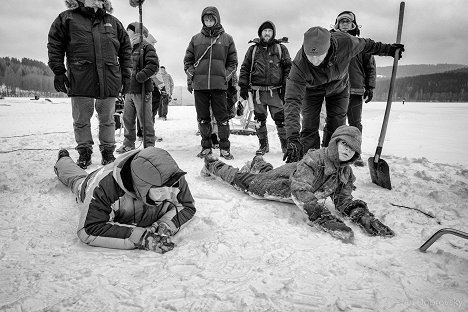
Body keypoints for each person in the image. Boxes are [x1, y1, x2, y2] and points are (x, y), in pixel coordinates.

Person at [202, 125, 394, 243]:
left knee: (271, 170)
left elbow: (343, 200)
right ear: (335, 142)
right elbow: (299, 189)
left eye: (352, 149)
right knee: (241, 180)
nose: (347, 150)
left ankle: (258, 162)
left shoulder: (345, 171)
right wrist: (322, 217)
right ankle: (212, 164)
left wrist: (361, 216)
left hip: (293, 171)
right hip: (279, 186)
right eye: (344, 144)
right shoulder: (315, 159)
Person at [283, 26, 404, 163]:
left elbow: (367, 45)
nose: (314, 61)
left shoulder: (346, 43)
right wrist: (292, 138)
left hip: (338, 89)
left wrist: (389, 50)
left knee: (336, 127)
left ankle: (332, 162)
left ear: (328, 48)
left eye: (319, 56)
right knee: (309, 126)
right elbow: (292, 100)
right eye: (311, 57)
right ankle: (311, 162)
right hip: (312, 91)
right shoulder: (299, 65)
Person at [54, 146, 196, 253]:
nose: (168, 195)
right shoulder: (103, 188)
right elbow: (90, 228)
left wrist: (165, 225)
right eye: (159, 191)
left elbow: (187, 206)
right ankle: (63, 160)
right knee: (76, 180)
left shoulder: (172, 178)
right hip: (91, 182)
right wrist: (141, 238)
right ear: (142, 186)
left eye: (170, 189)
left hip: (132, 171)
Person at [47, 0, 132, 169]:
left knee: (108, 119)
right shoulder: (67, 18)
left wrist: (126, 74)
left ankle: (108, 152)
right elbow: (55, 44)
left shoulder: (113, 22)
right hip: (80, 77)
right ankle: (84, 151)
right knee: (81, 119)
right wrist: (58, 71)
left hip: (108, 77)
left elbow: (125, 50)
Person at [184, 6, 238, 159]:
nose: (208, 21)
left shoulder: (227, 39)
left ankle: (224, 148)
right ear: (203, 20)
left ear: (217, 19)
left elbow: (233, 63)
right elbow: (188, 60)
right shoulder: (195, 39)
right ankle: (206, 147)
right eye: (206, 19)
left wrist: (224, 76)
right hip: (200, 86)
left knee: (222, 119)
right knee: (203, 118)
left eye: (211, 18)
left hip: (219, 86)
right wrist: (192, 75)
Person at [239, 20, 292, 155]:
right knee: (259, 120)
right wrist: (243, 86)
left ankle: (285, 146)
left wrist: (287, 85)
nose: (267, 33)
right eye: (265, 31)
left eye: (269, 31)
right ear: (260, 33)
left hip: (276, 91)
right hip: (257, 93)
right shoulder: (253, 49)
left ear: (273, 33)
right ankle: (263, 145)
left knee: (281, 119)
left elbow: (288, 68)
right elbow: (245, 68)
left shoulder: (281, 49)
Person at [332, 11, 376, 167]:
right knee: (336, 123)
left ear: (353, 25)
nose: (345, 23)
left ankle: (355, 154)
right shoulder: (331, 41)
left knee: (355, 124)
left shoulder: (361, 43)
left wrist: (370, 87)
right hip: (335, 90)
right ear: (337, 24)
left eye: (348, 21)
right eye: (341, 21)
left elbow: (370, 66)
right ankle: (334, 153)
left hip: (355, 90)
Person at [116, 22, 159, 153]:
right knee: (127, 119)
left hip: (142, 90)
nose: (127, 33)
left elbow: (153, 66)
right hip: (129, 90)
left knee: (145, 120)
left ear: (136, 32)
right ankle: (128, 143)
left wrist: (139, 77)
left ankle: (149, 146)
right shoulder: (128, 48)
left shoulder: (146, 46)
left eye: (129, 31)